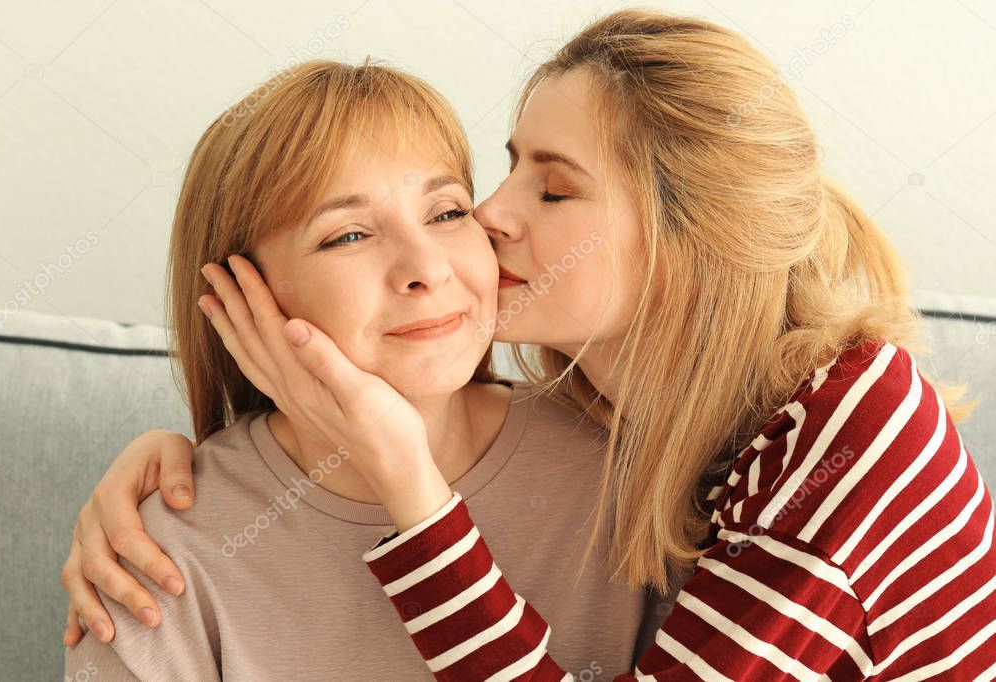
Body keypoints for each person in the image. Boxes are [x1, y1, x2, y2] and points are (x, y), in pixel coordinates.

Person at [64, 9, 995, 680]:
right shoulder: (654, 434)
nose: (487, 220)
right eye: (503, 171)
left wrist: (408, 481)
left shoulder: (841, 435)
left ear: (689, 244)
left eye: (552, 191)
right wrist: (175, 466)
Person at [62, 59, 676, 680]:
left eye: (446, 213)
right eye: (349, 235)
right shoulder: (156, 552)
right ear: (243, 293)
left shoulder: (629, 476)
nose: (427, 267)